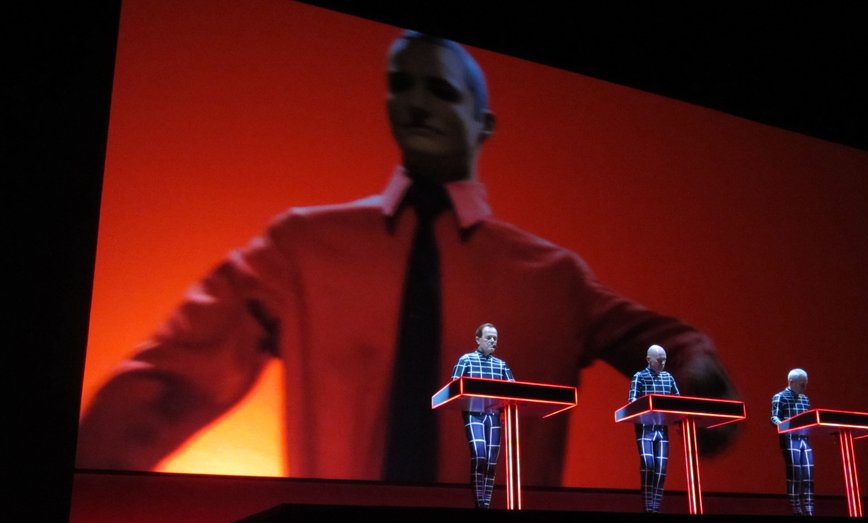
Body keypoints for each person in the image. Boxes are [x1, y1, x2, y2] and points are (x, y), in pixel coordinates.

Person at [76, 31, 736, 486]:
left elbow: (667, 345)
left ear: (484, 124)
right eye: (401, 84)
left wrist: (697, 388)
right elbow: (168, 384)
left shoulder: (554, 277)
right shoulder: (300, 247)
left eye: (441, 91)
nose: (416, 102)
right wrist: (81, 485)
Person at [449, 323, 513, 508]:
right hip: (474, 414)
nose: (493, 341)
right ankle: (479, 503)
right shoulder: (466, 360)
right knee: (480, 456)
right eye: (489, 338)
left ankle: (486, 503)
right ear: (478, 339)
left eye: (495, 338)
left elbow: (514, 390)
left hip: (494, 416)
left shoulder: (501, 365)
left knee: (491, 461)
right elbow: (453, 388)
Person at [627, 345, 681, 513]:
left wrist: (678, 419)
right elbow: (632, 402)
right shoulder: (639, 377)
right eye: (659, 360)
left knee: (661, 469)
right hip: (645, 428)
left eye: (664, 360)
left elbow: (678, 401)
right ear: (649, 360)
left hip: (662, 429)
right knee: (649, 465)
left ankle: (655, 508)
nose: (662, 363)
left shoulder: (668, 378)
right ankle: (647, 507)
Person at [770, 368, 814, 516]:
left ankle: (809, 509)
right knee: (795, 474)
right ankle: (795, 509)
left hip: (804, 438)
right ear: (792, 382)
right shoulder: (780, 397)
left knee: (808, 474)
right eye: (802, 384)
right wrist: (786, 427)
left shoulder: (805, 399)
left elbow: (808, 418)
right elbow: (774, 417)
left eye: (805, 384)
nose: (804, 387)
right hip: (789, 439)